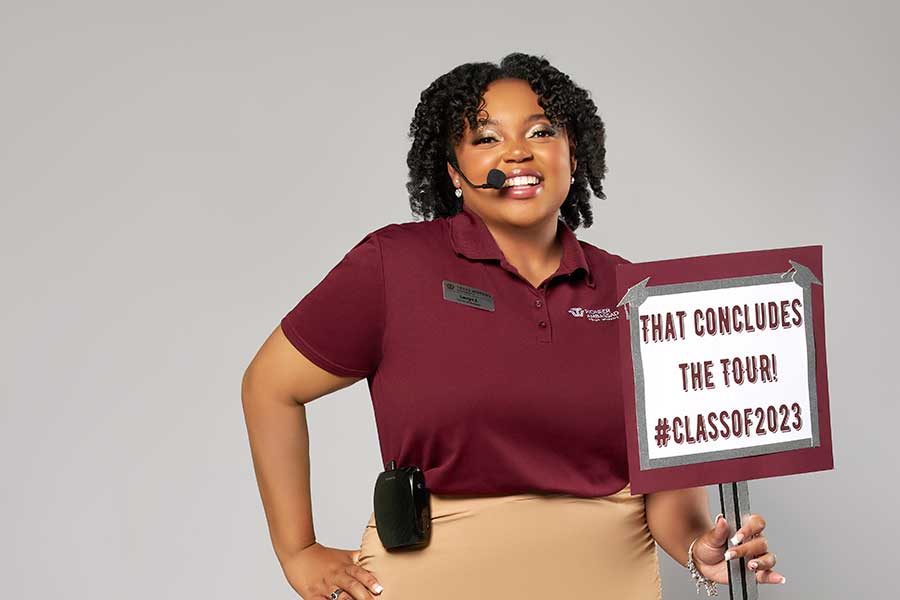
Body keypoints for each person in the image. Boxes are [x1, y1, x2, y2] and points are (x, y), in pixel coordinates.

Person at [241, 52, 786, 599]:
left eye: (541, 130)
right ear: (454, 172)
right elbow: (270, 387)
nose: (518, 152)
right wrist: (299, 551)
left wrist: (700, 547)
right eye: (486, 138)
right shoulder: (394, 265)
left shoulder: (637, 295)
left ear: (574, 154)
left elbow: (666, 489)